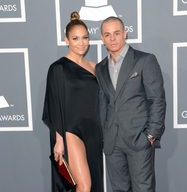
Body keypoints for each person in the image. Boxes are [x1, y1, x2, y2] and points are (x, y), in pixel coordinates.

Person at [95, 16, 166, 192]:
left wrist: (151, 135)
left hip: (138, 140)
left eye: (117, 33)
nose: (112, 38)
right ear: (102, 38)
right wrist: (105, 134)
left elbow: (157, 99)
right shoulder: (100, 68)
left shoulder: (144, 60)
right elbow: (104, 103)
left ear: (125, 33)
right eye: (107, 34)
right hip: (112, 143)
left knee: (143, 189)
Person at [42, 11, 103, 192]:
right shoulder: (57, 68)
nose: (81, 43)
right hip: (70, 130)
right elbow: (54, 105)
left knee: (94, 185)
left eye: (85, 38)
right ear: (66, 40)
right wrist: (59, 140)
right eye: (75, 38)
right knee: (84, 186)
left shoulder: (95, 67)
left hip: (94, 130)